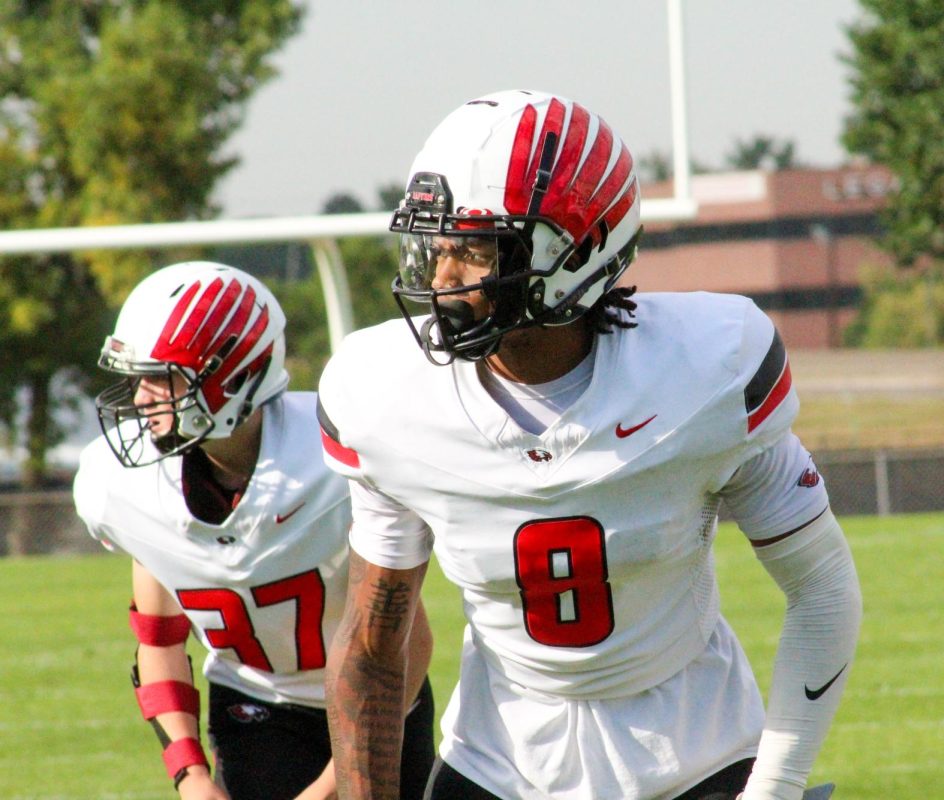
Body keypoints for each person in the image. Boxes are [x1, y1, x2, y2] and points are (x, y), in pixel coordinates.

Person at [318, 89, 863, 800]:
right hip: (498, 763)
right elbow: (371, 646)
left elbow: (821, 590)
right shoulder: (388, 398)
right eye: (437, 246)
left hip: (698, 756)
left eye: (474, 250)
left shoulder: (706, 370)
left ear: (573, 251)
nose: (442, 279)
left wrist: (777, 787)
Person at [73, 261, 436, 800]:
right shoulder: (124, 484)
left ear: (234, 376)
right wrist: (190, 773)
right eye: (137, 377)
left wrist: (332, 786)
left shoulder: (335, 456)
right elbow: (159, 638)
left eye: (162, 376)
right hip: (254, 705)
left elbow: (408, 640)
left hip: (381, 697)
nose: (142, 397)